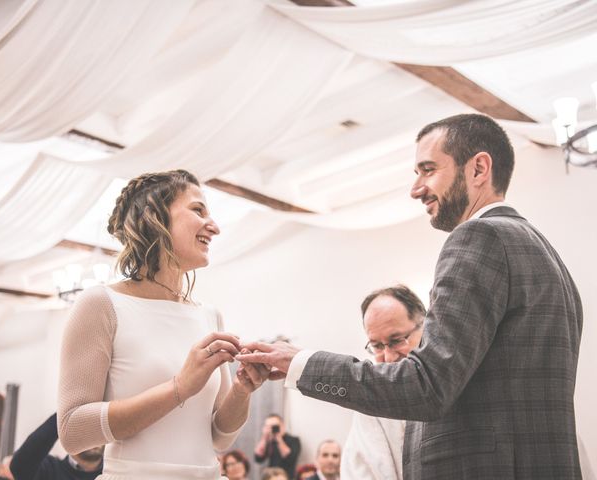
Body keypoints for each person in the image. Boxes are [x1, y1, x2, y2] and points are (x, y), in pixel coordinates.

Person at [238, 114, 583, 479]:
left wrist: (302, 364)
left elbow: (428, 387)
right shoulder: (547, 257)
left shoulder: (478, 239)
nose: (416, 189)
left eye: (428, 170)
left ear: (479, 168)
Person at [57, 170, 270, 480]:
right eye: (198, 210)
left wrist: (242, 389)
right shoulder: (100, 304)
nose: (215, 227)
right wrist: (179, 388)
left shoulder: (209, 315)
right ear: (153, 215)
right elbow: (73, 431)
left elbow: (219, 437)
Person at [341, 285, 425, 480]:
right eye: (377, 346)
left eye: (396, 340)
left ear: (425, 326)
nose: (387, 357)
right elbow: (358, 469)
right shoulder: (369, 403)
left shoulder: (453, 378)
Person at [10, 413, 102, 480]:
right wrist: (65, 413)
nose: (92, 436)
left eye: (99, 429)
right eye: (84, 430)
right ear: (68, 435)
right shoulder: (49, 470)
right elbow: (20, 467)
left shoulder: (113, 472)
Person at [253, 414, 300, 479]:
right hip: (271, 476)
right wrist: (264, 437)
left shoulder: (293, 440)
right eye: (268, 426)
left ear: (283, 426)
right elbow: (258, 457)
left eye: (275, 426)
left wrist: (278, 438)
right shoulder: (269, 441)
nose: (272, 429)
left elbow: (290, 458)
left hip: (287, 476)